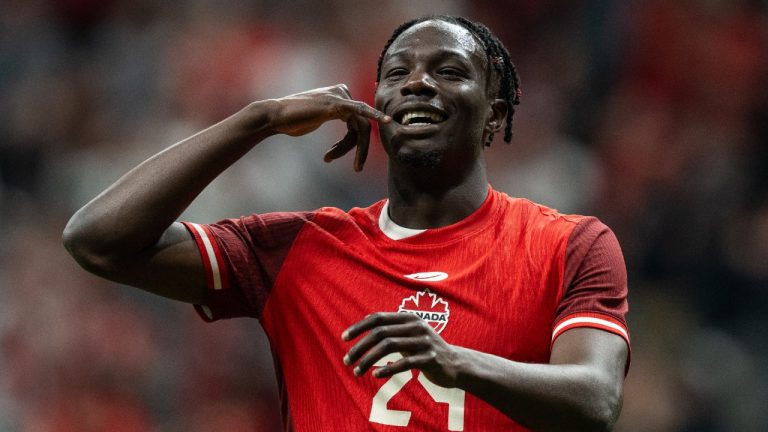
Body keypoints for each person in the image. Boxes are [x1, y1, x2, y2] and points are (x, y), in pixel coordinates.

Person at [63, 15, 629, 431]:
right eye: (397, 72)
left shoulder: (568, 245)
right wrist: (258, 120)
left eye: (449, 70)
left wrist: (455, 361)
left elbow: (596, 401)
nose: (417, 83)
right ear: (376, 103)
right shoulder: (301, 248)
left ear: (495, 115)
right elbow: (97, 241)